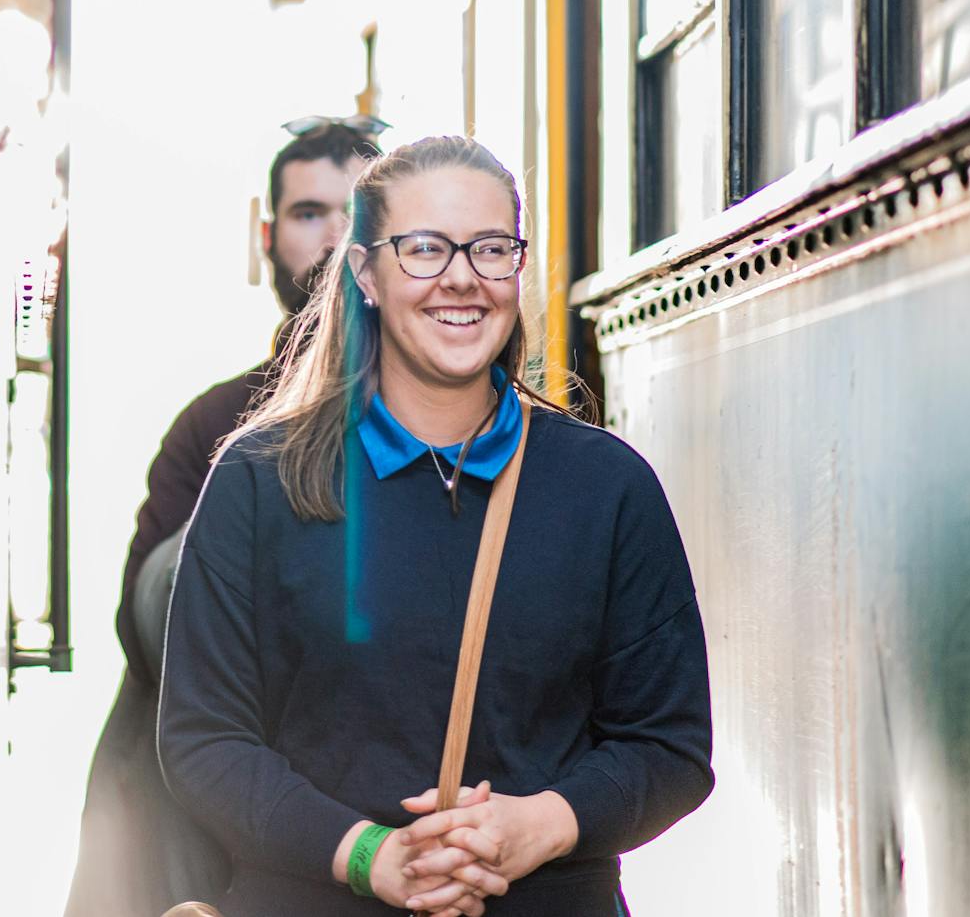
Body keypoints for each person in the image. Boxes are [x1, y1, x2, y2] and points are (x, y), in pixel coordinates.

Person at [158, 135, 713, 916]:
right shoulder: (258, 478)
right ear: (365, 275)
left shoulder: (608, 486)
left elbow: (671, 747)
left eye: (491, 249)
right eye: (423, 249)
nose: (461, 278)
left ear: (518, 268)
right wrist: (368, 856)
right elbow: (203, 740)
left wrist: (541, 826)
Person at [63, 116, 384, 917]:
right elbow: (148, 626)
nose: (336, 237)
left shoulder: (462, 427)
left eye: (361, 215)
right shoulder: (213, 427)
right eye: (312, 214)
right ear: (267, 239)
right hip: (226, 788)